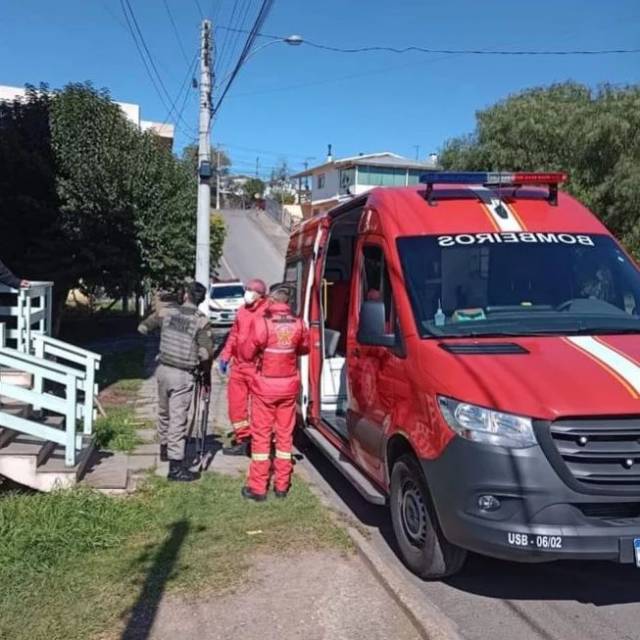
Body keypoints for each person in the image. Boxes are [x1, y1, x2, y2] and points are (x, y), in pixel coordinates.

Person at [138, 281, 214, 482]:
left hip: (162, 370)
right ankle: (176, 468)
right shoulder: (201, 321)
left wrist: (162, 341)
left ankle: (164, 449)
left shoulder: (167, 313)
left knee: (164, 412)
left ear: (186, 295)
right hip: (183, 375)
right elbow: (206, 353)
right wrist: (205, 374)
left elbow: (143, 327)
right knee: (178, 420)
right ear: (201, 300)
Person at [239, 285, 309, 501]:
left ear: (272, 301)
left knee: (261, 437)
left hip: (265, 387)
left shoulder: (263, 323)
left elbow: (247, 352)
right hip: (288, 387)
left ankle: (258, 488)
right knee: (285, 436)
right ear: (288, 302)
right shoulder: (299, 324)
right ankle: (282, 485)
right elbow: (305, 349)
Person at [217, 278, 268, 456]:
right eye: (246, 290)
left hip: (256, 367)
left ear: (260, 295)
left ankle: (258, 441)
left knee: (258, 408)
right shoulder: (242, 311)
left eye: (250, 290)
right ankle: (243, 439)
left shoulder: (266, 312)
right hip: (239, 366)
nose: (246, 293)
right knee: (236, 406)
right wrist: (225, 356)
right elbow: (234, 335)